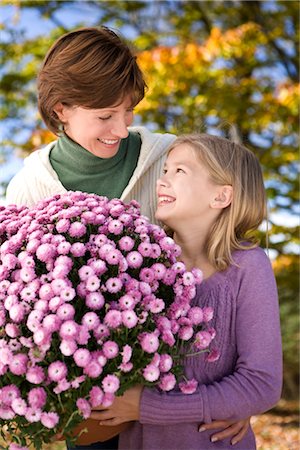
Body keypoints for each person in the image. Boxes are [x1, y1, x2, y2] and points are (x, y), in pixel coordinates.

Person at [6, 27, 251, 449]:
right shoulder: (29, 188)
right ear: (61, 109)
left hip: (181, 396)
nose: (120, 129)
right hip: (87, 409)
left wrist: (236, 395)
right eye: (105, 116)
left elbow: (229, 263)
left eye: (129, 112)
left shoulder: (172, 161)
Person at [89, 133, 283, 450]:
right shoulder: (140, 263)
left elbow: (261, 384)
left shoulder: (248, 267)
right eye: (165, 171)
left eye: (180, 171)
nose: (163, 180)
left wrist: (147, 407)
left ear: (221, 196)